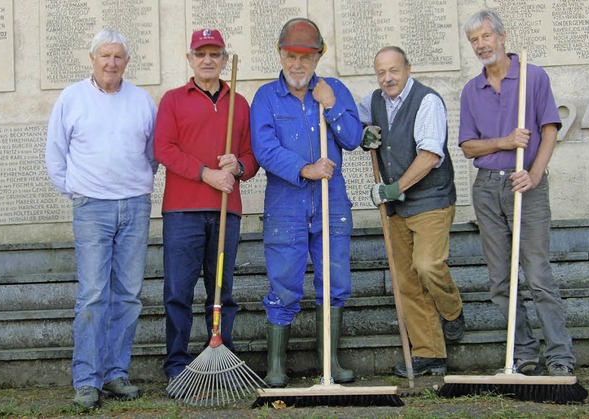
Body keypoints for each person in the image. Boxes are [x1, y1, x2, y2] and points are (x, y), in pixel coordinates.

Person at [459, 10, 576, 376]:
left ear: (502, 36)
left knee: (538, 274)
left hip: (527, 184)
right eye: (475, 40)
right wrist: (504, 141)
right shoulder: (470, 90)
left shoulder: (532, 76)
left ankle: (560, 357)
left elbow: (550, 128)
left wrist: (535, 173)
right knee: (500, 281)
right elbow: (467, 147)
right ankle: (524, 353)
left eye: (486, 36)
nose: (481, 45)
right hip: (488, 189)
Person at [45, 28, 156, 409]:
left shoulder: (142, 100)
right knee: (93, 295)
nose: (111, 63)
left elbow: (152, 154)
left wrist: (136, 188)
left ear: (127, 62)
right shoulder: (72, 98)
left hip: (135, 206)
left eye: (118, 57)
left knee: (128, 294)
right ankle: (87, 380)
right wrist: (76, 191)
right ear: (92, 59)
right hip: (92, 207)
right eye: (105, 56)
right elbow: (55, 154)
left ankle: (114, 374)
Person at [250, 18, 362, 387]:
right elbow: (264, 150)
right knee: (284, 284)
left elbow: (352, 138)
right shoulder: (266, 97)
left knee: (334, 281)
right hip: (286, 204)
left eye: (306, 57)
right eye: (290, 55)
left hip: (332, 202)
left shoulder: (334, 90)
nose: (297, 64)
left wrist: (331, 106)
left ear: (317, 58)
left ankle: (329, 362)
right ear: (280, 55)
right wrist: (305, 168)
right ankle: (277, 367)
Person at [153, 28, 259, 389]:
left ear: (225, 60)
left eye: (215, 54)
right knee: (178, 291)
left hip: (227, 210)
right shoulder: (172, 100)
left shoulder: (239, 104)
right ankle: (177, 363)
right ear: (190, 59)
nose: (208, 60)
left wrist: (238, 166)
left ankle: (220, 353)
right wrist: (206, 174)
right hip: (182, 210)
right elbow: (164, 149)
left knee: (221, 290)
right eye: (201, 54)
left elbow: (251, 157)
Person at [357, 46, 465, 378]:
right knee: (406, 281)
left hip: (430, 199)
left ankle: (451, 311)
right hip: (397, 210)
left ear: (408, 69)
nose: (387, 78)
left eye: (393, 70)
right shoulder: (374, 101)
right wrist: (360, 134)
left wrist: (393, 188)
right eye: (381, 72)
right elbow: (349, 117)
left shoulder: (427, 101)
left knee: (427, 265)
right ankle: (429, 353)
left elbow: (430, 154)